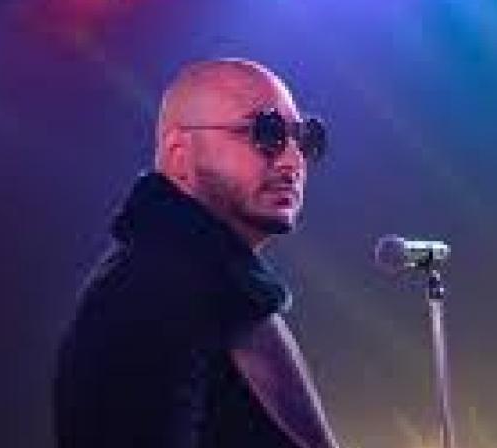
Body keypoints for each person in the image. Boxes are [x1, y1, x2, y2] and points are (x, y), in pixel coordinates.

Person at [53, 58, 340, 448]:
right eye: (267, 132)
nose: (293, 161)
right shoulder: (150, 289)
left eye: (304, 139)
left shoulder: (206, 287)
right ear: (178, 155)